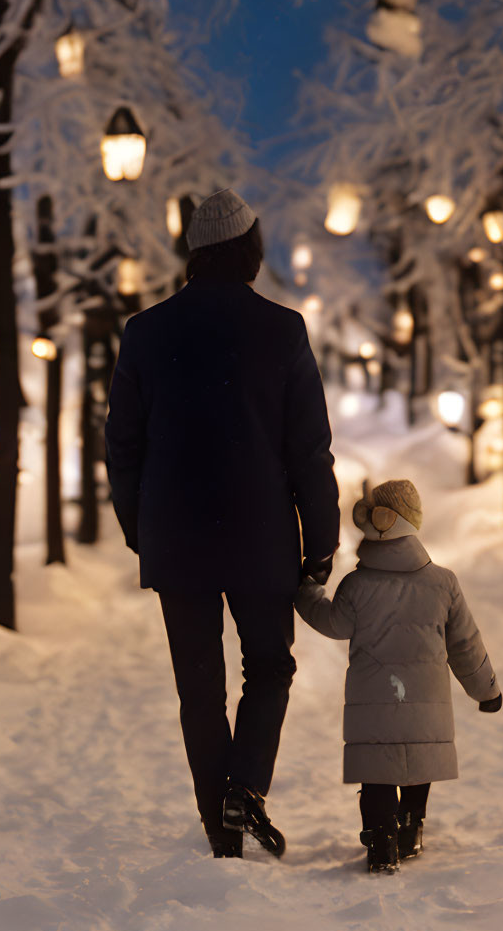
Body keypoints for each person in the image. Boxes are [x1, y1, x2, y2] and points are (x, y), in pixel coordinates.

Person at [104, 189, 340, 860]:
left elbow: (122, 444)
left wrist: (137, 527)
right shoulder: (282, 329)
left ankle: (221, 824)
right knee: (269, 666)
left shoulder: (145, 333)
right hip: (261, 538)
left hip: (177, 542)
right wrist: (319, 542)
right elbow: (309, 450)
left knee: (199, 685)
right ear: (250, 250)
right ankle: (246, 785)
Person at [295, 477, 502, 873]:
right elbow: (465, 644)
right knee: (417, 759)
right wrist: (486, 690)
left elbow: (333, 623)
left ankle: (380, 836)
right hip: (424, 698)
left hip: (374, 698)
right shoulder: (443, 583)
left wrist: (306, 592)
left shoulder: (357, 585)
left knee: (377, 768)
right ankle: (411, 827)